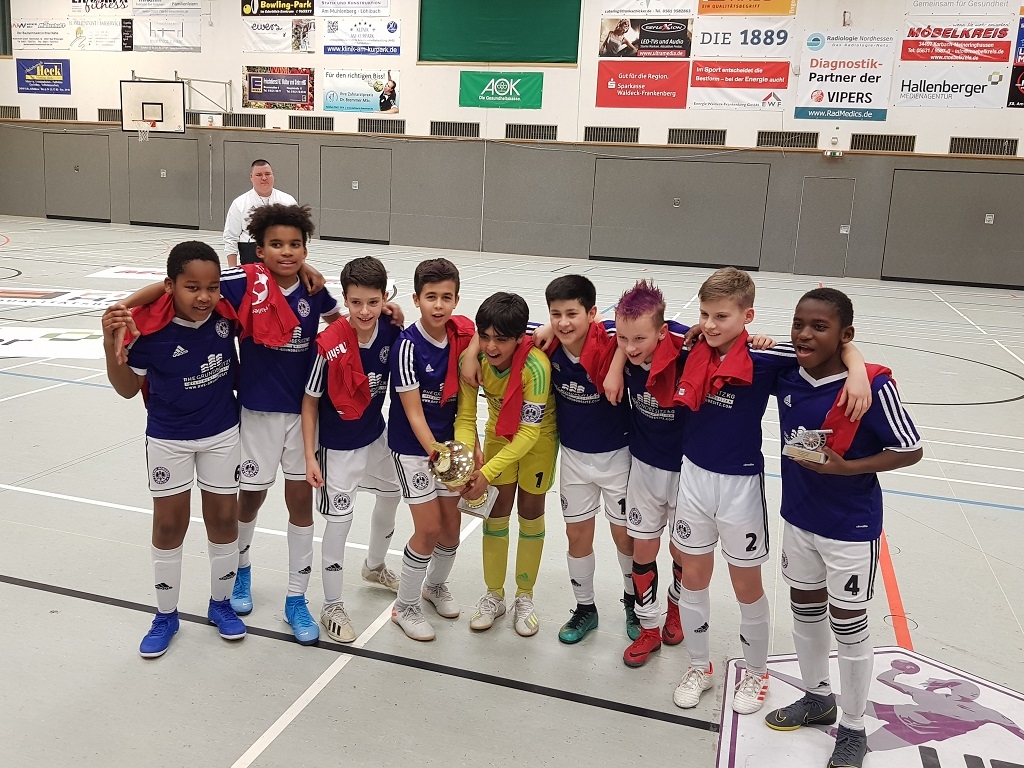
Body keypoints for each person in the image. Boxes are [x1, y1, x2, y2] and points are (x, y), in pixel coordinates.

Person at [117, 204, 343, 646]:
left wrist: (383, 312)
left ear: (305, 248)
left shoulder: (314, 290)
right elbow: (178, 285)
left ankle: (296, 598)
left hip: (305, 416)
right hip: (254, 415)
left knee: (300, 504)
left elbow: (343, 324)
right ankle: (241, 571)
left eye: (295, 245)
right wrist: (124, 305)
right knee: (248, 501)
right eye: (276, 244)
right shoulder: (240, 282)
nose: (286, 251)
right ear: (259, 249)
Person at [668, 268, 869, 714]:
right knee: (693, 576)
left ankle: (757, 673)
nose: (710, 324)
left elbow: (833, 348)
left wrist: (857, 370)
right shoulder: (690, 346)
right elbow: (635, 331)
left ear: (748, 316)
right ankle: (699, 667)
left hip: (740, 485)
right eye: (705, 314)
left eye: (722, 316)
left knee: (746, 584)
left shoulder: (766, 355)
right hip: (693, 478)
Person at [763, 288, 923, 768]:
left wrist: (847, 468)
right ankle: (818, 698)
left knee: (849, 624)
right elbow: (729, 341)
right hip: (799, 517)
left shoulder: (871, 389)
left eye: (820, 327)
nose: (804, 334)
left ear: (845, 334)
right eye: (799, 324)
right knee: (805, 610)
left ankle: (853, 726)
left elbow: (910, 448)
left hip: (850, 526)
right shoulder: (787, 369)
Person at [101, 241, 246, 658]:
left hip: (222, 433)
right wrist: (110, 342)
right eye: (191, 287)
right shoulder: (148, 330)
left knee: (224, 518)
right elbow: (127, 389)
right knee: (168, 524)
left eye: (211, 287)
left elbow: (272, 272)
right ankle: (166, 615)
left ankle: (220, 604)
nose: (204, 296)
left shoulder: (225, 311)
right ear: (171, 287)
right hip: (168, 437)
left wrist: (307, 271)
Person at [511, 275, 638, 644]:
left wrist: (615, 364)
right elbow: (499, 329)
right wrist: (546, 327)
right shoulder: (548, 343)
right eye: (556, 315)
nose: (564, 323)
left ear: (592, 313)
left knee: (625, 538)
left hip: (618, 457)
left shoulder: (613, 338)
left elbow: (639, 330)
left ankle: (634, 604)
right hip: (574, 458)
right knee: (576, 535)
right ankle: (585, 608)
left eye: (572, 314)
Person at [302, 255, 404, 643]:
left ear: (384, 299)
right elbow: (310, 402)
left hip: (375, 435)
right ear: (344, 299)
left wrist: (397, 315)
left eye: (373, 302)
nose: (364, 311)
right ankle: (331, 604)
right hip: (337, 448)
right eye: (356, 302)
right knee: (340, 523)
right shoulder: (328, 345)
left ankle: (374, 566)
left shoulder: (391, 331)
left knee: (392, 492)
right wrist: (310, 456)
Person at [454, 292, 557, 637]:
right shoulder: (473, 361)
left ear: (518, 338)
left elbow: (528, 433)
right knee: (495, 515)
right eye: (484, 337)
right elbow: (465, 418)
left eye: (500, 339)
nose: (491, 346)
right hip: (499, 436)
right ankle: (494, 596)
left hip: (537, 442)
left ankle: (524, 597)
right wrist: (465, 462)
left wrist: (486, 472)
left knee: (530, 513)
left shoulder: (536, 368)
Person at [388, 258, 474, 641]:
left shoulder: (461, 339)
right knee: (428, 528)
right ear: (416, 299)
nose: (438, 305)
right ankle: (404, 606)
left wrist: (463, 453)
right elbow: (414, 413)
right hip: (414, 450)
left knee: (451, 530)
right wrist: (440, 457)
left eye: (446, 297)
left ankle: (434, 586)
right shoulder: (407, 347)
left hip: (447, 448)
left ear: (456, 299)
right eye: (431, 297)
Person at [610, 280, 690, 668]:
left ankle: (676, 608)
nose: (630, 347)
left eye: (639, 338)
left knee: (682, 551)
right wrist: (617, 363)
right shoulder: (623, 347)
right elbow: (568, 327)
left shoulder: (688, 349)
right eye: (623, 338)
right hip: (643, 467)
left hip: (688, 471)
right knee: (643, 549)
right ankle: (648, 626)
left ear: (662, 332)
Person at [223, 160, 297, 267]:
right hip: (251, 257)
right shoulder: (239, 203)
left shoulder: (288, 201)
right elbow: (230, 238)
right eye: (259, 175)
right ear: (251, 177)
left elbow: (298, 234)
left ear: (273, 175)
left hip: (282, 257)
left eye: (267, 174)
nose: (264, 178)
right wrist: (232, 269)